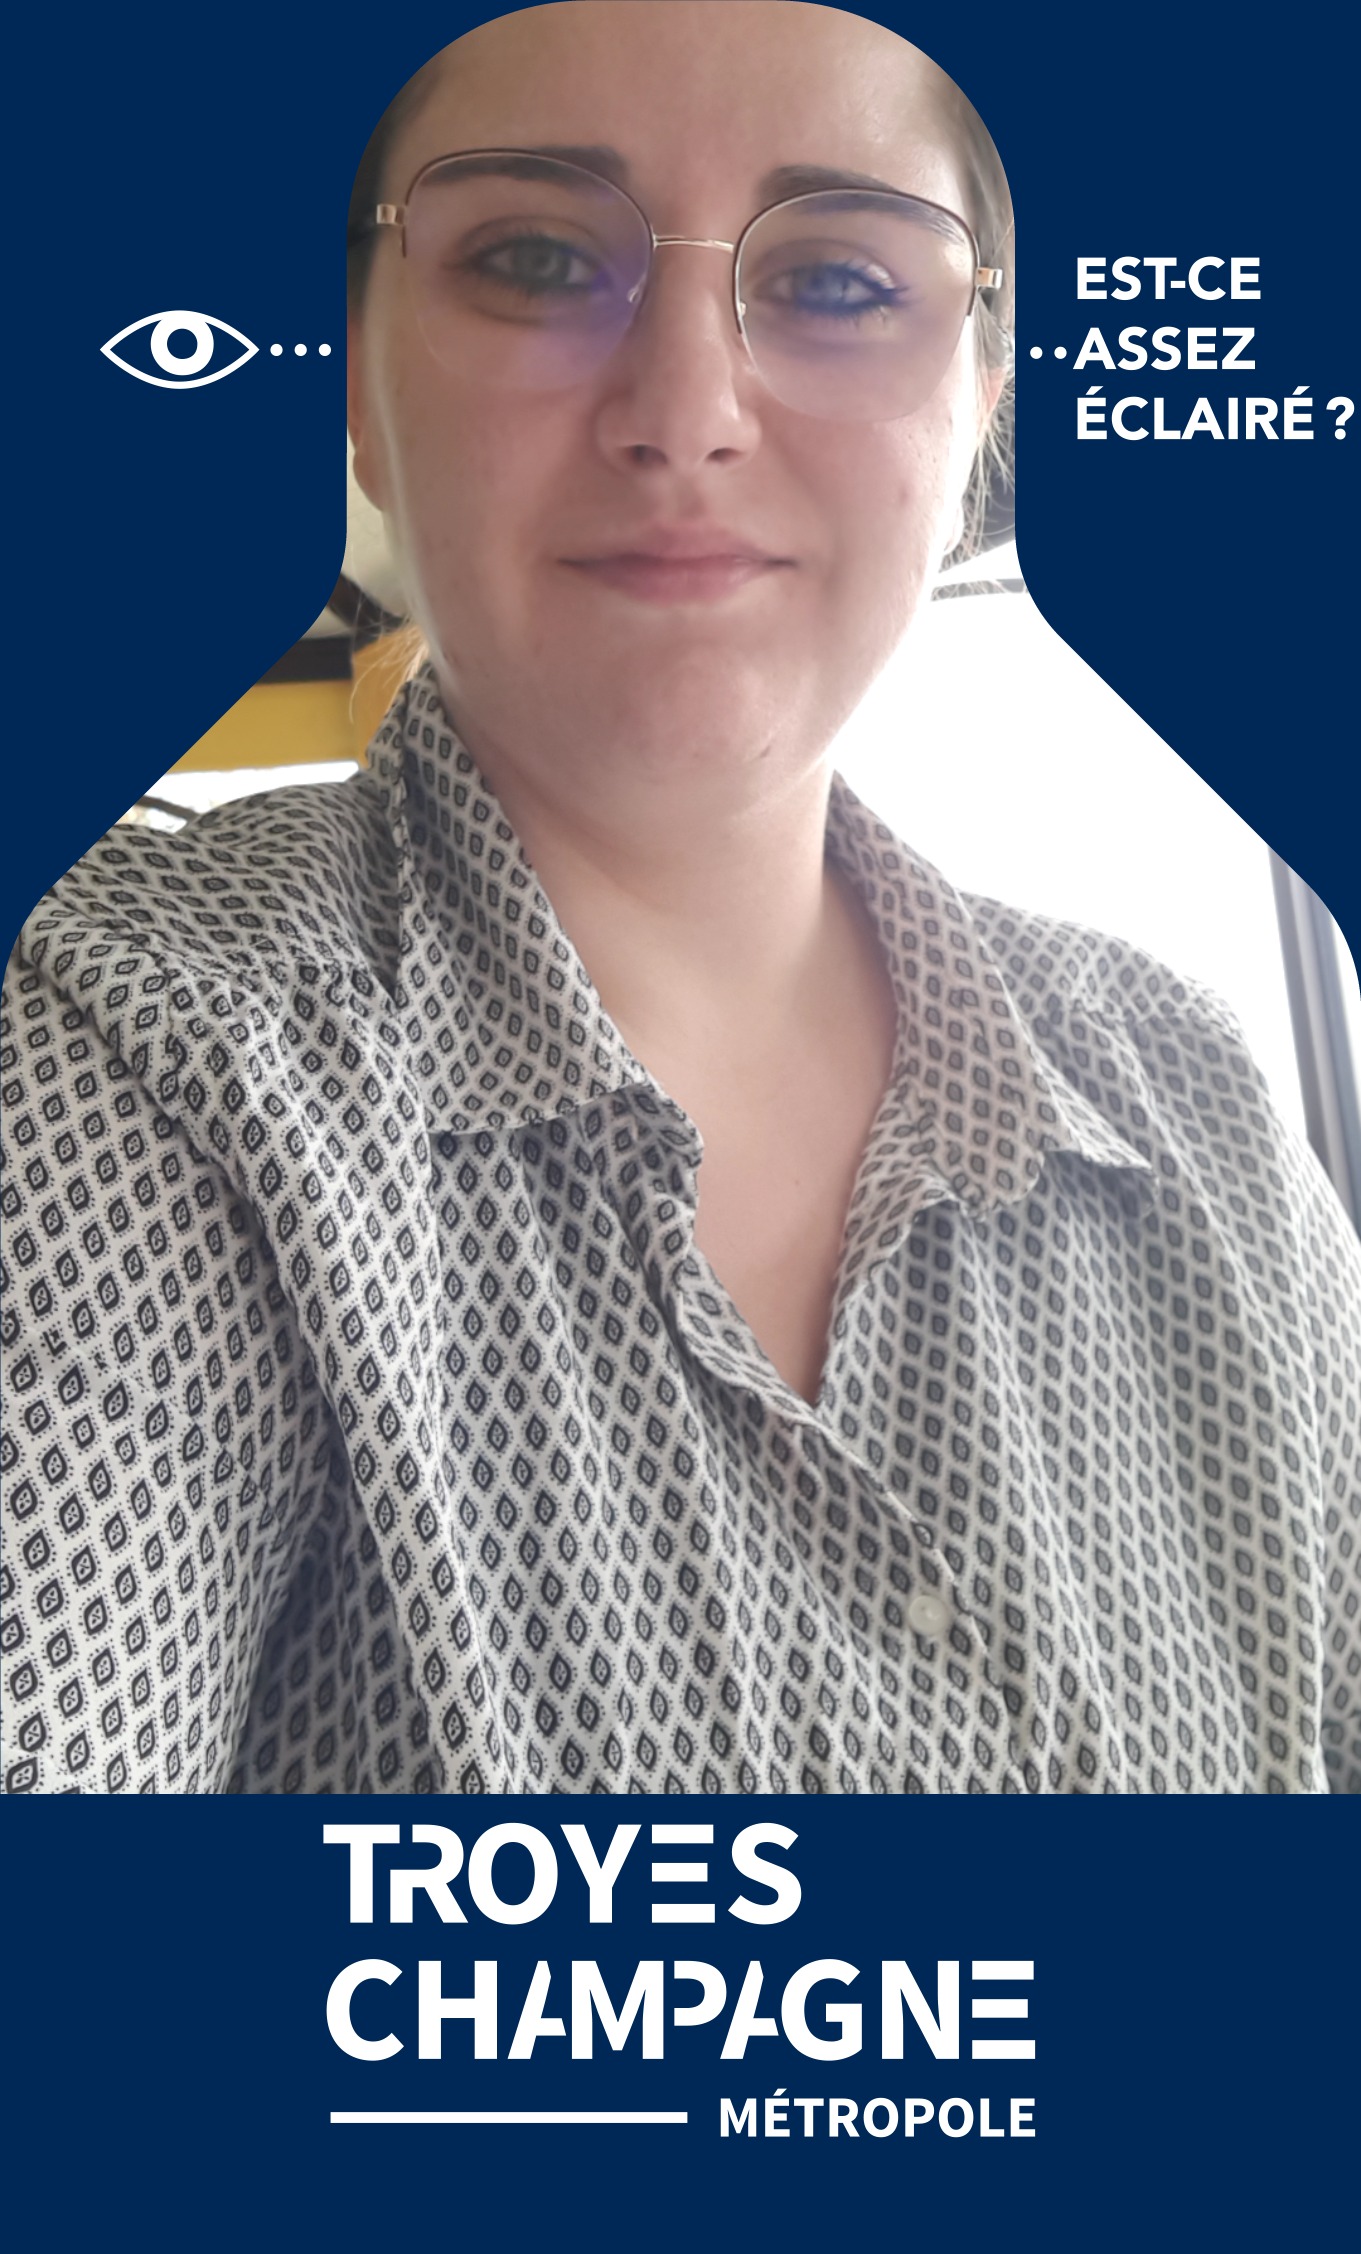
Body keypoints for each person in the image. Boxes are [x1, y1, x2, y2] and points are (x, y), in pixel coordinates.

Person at [3, 1, 1357, 1796]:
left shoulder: (1197, 1095)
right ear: (356, 388)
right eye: (534, 257)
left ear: (979, 399)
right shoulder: (124, 1042)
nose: (686, 413)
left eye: (842, 282)